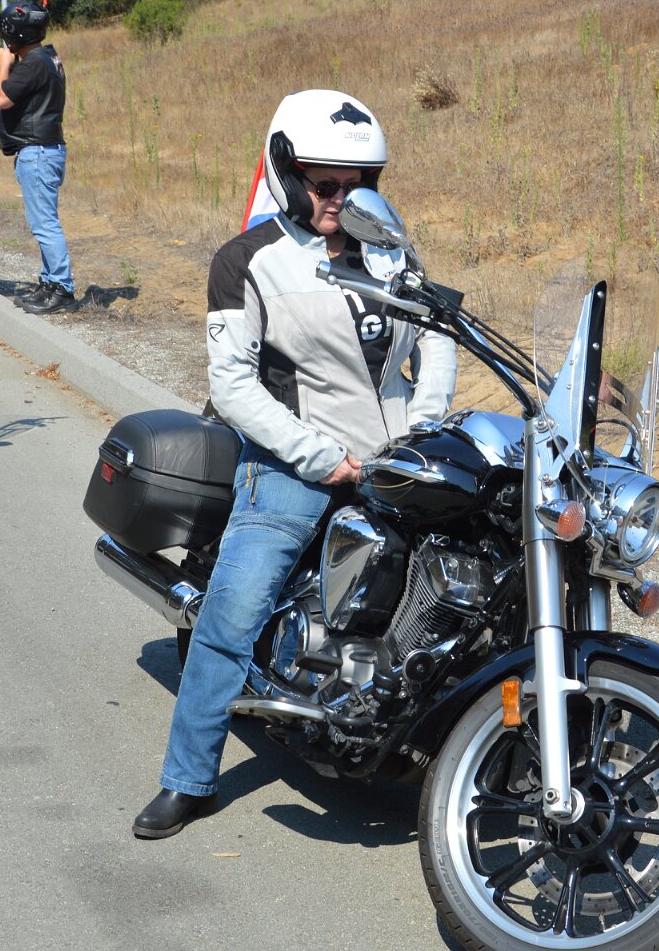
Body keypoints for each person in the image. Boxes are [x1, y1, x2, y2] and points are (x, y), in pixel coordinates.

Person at [133, 89, 458, 840]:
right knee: (233, 611)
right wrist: (322, 458)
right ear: (285, 172)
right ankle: (187, 779)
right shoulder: (247, 261)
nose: (343, 199)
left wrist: (424, 426)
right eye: (325, 184)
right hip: (292, 462)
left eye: (359, 183)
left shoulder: (391, 251)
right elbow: (232, 386)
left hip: (397, 460)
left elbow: (437, 339)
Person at [0, 0, 77, 315]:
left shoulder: (34, 62)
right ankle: (50, 283)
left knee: (45, 224)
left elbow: (2, 98)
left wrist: (3, 64)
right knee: (42, 222)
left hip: (38, 151)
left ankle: (63, 289)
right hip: (43, 149)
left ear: (15, 33)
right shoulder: (47, 57)